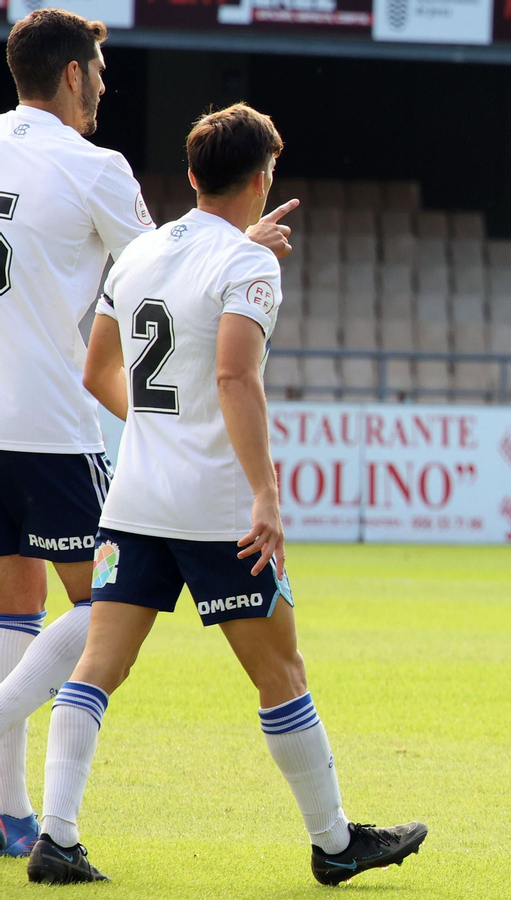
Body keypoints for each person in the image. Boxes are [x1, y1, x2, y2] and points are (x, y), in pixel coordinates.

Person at [26, 104, 425, 886]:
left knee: (97, 669)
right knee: (282, 673)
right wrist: (266, 496)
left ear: (192, 176)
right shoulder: (251, 264)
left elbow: (96, 370)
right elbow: (235, 376)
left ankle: (57, 838)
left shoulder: (139, 254)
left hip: (135, 500)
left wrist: (161, 428)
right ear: (264, 176)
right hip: (215, 511)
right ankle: (335, 842)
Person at [0, 9, 295, 858]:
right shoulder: (94, 167)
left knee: (14, 603)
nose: (104, 83)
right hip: (50, 423)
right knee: (102, 612)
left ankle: (15, 812)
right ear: (70, 76)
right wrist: (246, 243)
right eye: (97, 68)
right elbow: (169, 268)